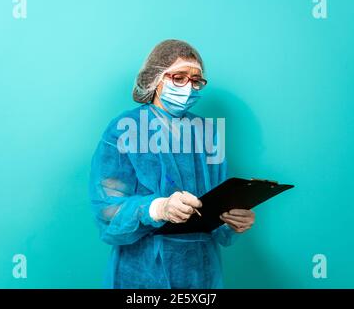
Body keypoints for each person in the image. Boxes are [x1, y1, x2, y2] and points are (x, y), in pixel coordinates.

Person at [89, 39, 255, 288]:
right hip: (143, 272)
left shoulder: (206, 132)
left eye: (196, 80)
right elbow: (107, 210)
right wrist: (156, 208)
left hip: (201, 271)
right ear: (155, 79)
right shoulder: (126, 130)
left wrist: (232, 219)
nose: (188, 87)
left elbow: (219, 196)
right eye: (179, 77)